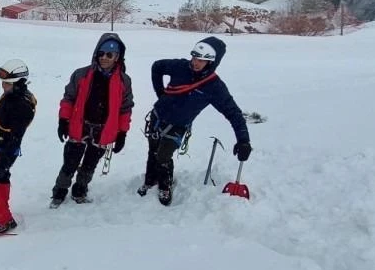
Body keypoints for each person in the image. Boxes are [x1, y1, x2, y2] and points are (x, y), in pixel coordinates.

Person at [142, 37, 251, 206]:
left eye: (201, 60)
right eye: (194, 57)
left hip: (177, 125)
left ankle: (165, 185)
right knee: (153, 149)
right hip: (158, 116)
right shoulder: (180, 66)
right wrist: (160, 94)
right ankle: (150, 180)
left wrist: (243, 140)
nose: (195, 63)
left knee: (163, 155)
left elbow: (233, 113)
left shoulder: (215, 87)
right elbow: (157, 67)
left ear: (212, 62)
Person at [52, 33, 134, 206]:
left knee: (90, 164)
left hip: (103, 131)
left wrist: (122, 133)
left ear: (117, 57)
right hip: (79, 126)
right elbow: (68, 98)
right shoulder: (81, 74)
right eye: (101, 53)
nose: (104, 58)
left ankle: (80, 190)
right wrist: (63, 121)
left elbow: (125, 109)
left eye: (109, 55)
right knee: (70, 163)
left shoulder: (124, 81)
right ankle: (59, 192)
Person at [0, 59, 37, 235]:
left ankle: (6, 219)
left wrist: (3, 160)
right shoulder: (13, 96)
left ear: (18, 84)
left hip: (4, 151)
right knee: (0, 179)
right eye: (3, 82)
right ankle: (0, 212)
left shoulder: (21, 105)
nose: (3, 86)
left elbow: (16, 136)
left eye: (7, 83)